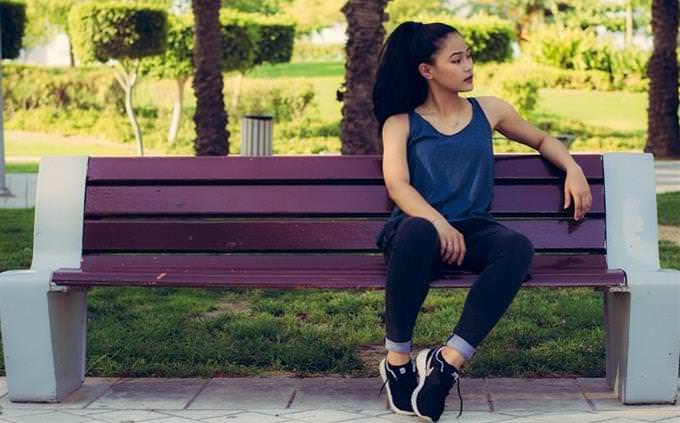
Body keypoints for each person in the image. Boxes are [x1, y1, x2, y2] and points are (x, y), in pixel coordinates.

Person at [372, 21, 593, 422]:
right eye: (457, 60)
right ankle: (397, 360)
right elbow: (398, 186)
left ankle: (448, 361)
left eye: (469, 55)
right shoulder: (401, 123)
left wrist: (572, 167)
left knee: (517, 248)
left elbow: (543, 140)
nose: (469, 65)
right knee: (420, 229)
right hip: (416, 232)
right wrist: (439, 223)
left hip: (471, 229)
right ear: (427, 70)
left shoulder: (488, 110)